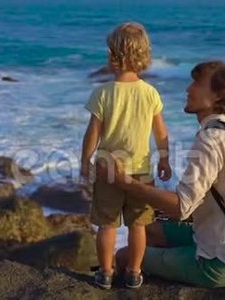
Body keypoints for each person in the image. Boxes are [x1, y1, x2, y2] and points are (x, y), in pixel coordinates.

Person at [97, 60, 225, 288]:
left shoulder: (211, 139)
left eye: (197, 84)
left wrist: (126, 183)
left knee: (126, 256)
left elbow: (182, 208)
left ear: (218, 96)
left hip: (217, 263)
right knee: (146, 230)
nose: (188, 89)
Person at [80, 22, 172, 289]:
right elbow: (161, 133)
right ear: (144, 57)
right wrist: (164, 159)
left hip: (109, 170)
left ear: (113, 57)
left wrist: (85, 161)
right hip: (141, 173)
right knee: (138, 226)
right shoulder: (150, 93)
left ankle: (106, 273)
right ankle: (133, 272)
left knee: (107, 225)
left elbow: (92, 134)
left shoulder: (103, 93)